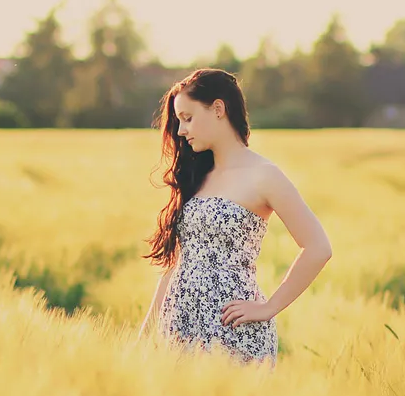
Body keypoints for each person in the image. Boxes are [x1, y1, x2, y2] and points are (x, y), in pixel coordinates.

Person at [137, 68, 332, 368]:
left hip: (233, 332)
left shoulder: (264, 175)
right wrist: (145, 335)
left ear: (218, 109)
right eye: (178, 121)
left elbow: (318, 247)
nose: (180, 131)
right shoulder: (196, 177)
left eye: (187, 118)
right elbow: (177, 262)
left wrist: (269, 308)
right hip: (178, 328)